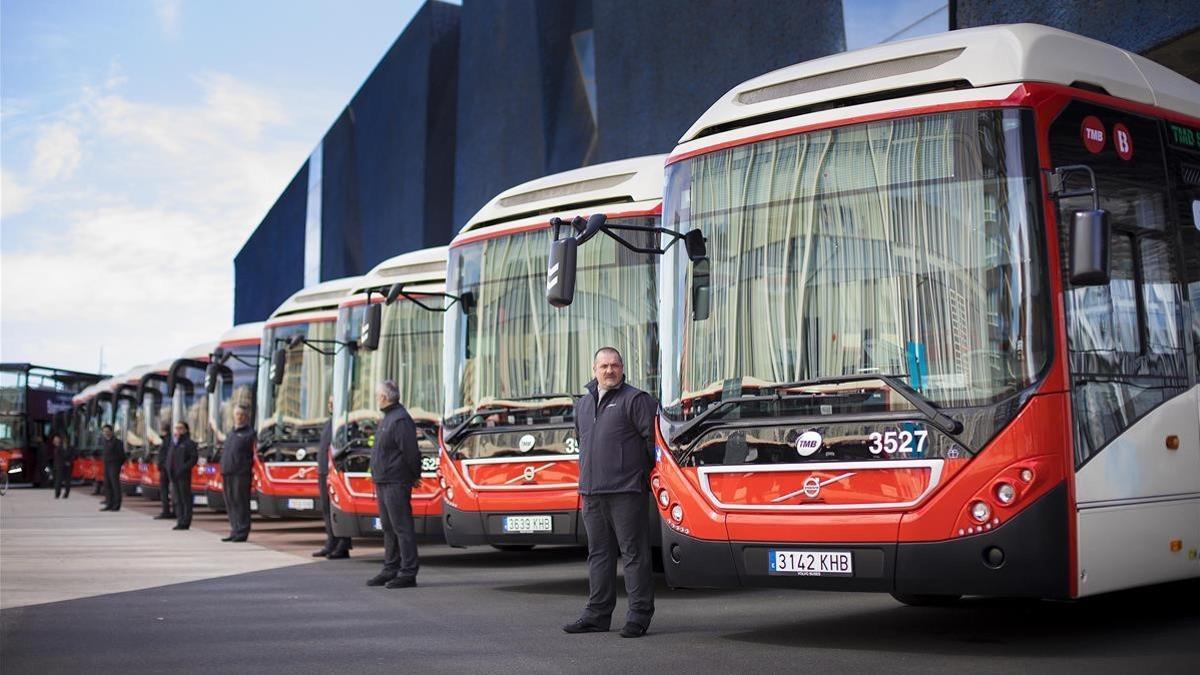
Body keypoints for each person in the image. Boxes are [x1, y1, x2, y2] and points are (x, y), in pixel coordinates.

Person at [562, 347, 657, 639]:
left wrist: (635, 476)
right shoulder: (583, 404)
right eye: (603, 366)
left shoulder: (637, 400)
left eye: (615, 365)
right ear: (594, 370)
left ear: (622, 368)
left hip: (626, 492)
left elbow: (652, 446)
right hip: (591, 492)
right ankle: (597, 615)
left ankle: (639, 616)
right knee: (599, 555)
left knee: (634, 555)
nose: (609, 370)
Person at [365, 380, 421, 589]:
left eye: (377, 395)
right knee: (389, 528)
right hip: (384, 480)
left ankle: (408, 572)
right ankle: (390, 569)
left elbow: (411, 452)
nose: (376, 399)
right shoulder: (388, 418)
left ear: (383, 397)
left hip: (396, 481)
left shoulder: (400, 419)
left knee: (402, 527)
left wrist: (415, 474)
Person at [314, 396, 352, 559]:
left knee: (337, 508)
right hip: (323, 470)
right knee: (326, 509)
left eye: (333, 402)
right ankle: (331, 542)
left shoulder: (343, 422)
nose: (330, 405)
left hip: (334, 471)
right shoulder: (329, 422)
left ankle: (343, 545)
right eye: (329, 402)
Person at [221, 405, 255, 542]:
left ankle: (242, 531)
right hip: (228, 472)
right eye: (237, 414)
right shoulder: (231, 433)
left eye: (241, 414)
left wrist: (244, 468)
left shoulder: (249, 433)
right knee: (231, 502)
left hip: (241, 474)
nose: (239, 417)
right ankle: (234, 529)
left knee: (241, 503)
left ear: (246, 416)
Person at [166, 421, 199, 530]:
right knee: (177, 499)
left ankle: (185, 521)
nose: (178, 430)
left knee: (185, 499)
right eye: (176, 428)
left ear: (185, 430)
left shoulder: (189, 443)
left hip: (183, 475)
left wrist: (184, 468)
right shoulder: (174, 443)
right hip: (173, 475)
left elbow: (193, 458)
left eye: (180, 428)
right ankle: (180, 520)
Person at [99, 424, 125, 511]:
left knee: (115, 485)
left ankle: (116, 505)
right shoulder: (104, 441)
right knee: (107, 484)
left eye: (107, 431)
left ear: (111, 431)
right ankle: (109, 503)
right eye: (104, 432)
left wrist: (118, 464)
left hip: (114, 465)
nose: (106, 433)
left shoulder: (117, 442)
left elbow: (122, 456)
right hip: (106, 464)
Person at [153, 424, 175, 520]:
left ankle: (166, 511)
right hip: (166, 468)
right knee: (170, 490)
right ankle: (172, 510)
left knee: (164, 490)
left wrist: (162, 465)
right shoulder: (168, 440)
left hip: (165, 469)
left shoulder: (167, 441)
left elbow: (165, 455)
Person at [51, 433, 75, 499]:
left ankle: (66, 494)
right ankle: (57, 494)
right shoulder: (58, 447)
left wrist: (69, 462)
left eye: (66, 439)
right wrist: (64, 462)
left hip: (68, 466)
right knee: (58, 480)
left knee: (68, 481)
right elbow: (57, 457)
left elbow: (73, 456)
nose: (65, 440)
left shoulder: (71, 447)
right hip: (60, 466)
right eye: (64, 439)